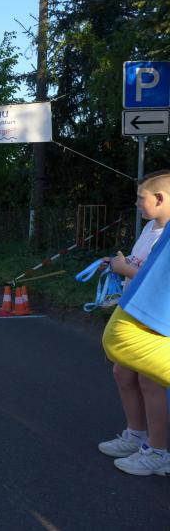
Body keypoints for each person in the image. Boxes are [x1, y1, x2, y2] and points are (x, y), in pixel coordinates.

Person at [99, 169, 170, 476]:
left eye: (142, 198)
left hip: (155, 317)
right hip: (138, 313)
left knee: (150, 382)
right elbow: (142, 266)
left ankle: (157, 452)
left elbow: (157, 279)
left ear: (160, 198)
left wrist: (124, 269)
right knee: (123, 373)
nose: (138, 204)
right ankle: (137, 435)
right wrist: (120, 263)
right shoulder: (152, 228)